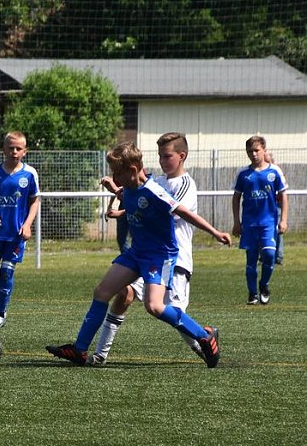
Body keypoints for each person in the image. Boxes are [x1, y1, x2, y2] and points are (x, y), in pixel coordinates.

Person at [45, 141, 231, 368]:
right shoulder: (128, 189)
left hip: (159, 256)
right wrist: (115, 192)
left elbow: (183, 211)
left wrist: (215, 232)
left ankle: (204, 335)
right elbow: (128, 197)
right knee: (102, 292)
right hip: (137, 253)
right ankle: (79, 350)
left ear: (132, 170)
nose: (115, 176)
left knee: (154, 306)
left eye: (117, 172)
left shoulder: (155, 192)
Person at [90, 133, 204, 366]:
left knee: (171, 311)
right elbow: (143, 204)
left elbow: (169, 211)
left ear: (181, 156)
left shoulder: (185, 184)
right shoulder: (159, 182)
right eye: (160, 156)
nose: (162, 161)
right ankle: (101, 354)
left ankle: (204, 343)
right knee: (123, 294)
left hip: (174, 257)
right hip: (144, 253)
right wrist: (120, 205)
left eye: (167, 156)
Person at [0, 131, 40, 328]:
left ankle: (0, 313)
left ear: (25, 151)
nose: (14, 152)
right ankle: (3, 302)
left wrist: (28, 224)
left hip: (15, 235)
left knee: (6, 273)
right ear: (3, 149)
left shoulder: (29, 174)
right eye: (10, 148)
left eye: (18, 148)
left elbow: (34, 201)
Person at [232, 136, 288, 305]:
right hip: (249, 224)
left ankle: (264, 285)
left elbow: (284, 196)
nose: (254, 154)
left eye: (256, 150)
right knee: (251, 260)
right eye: (250, 151)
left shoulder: (274, 171)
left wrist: (283, 220)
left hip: (268, 223)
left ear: (264, 150)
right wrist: (236, 222)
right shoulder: (243, 174)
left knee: (270, 255)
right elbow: (236, 198)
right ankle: (252, 293)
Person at [263, 150, 287, 266]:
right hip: (263, 208)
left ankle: (278, 256)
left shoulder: (276, 171)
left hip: (274, 206)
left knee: (277, 231)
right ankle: (263, 256)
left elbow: (282, 191)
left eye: (267, 160)